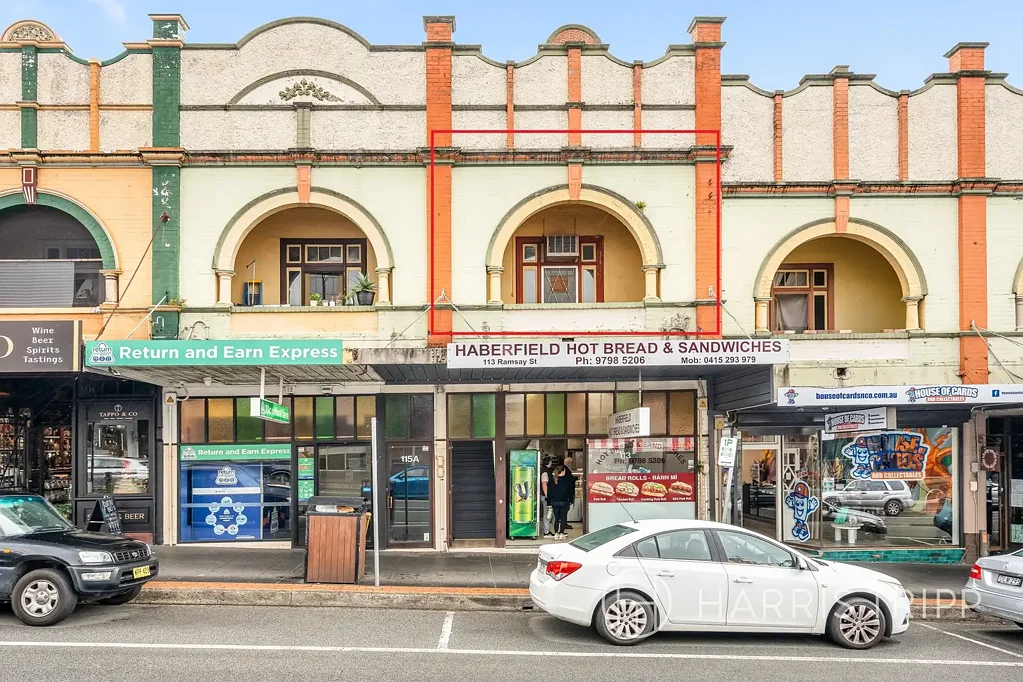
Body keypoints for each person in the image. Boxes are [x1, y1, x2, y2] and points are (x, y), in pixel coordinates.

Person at [547, 465, 574, 540]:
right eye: (564, 471)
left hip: (554, 502)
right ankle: (561, 533)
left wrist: (549, 502)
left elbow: (549, 493)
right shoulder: (567, 480)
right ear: (562, 471)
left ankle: (556, 534)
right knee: (563, 518)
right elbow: (570, 492)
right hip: (564, 502)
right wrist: (571, 500)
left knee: (556, 518)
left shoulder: (553, 480)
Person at [539, 455, 554, 537]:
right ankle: (546, 531)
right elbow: (544, 484)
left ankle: (547, 529)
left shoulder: (544, 470)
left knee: (548, 512)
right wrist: (547, 496)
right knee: (547, 513)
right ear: (549, 462)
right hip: (545, 496)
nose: (552, 463)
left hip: (544, 496)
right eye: (551, 461)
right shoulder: (545, 472)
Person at [562, 454, 578, 530]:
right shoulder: (565, 468)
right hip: (567, 491)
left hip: (567, 491)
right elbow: (568, 479)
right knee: (565, 509)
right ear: (567, 462)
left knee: (566, 509)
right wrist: (575, 478)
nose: (572, 463)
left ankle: (563, 522)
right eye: (571, 462)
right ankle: (563, 523)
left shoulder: (566, 468)